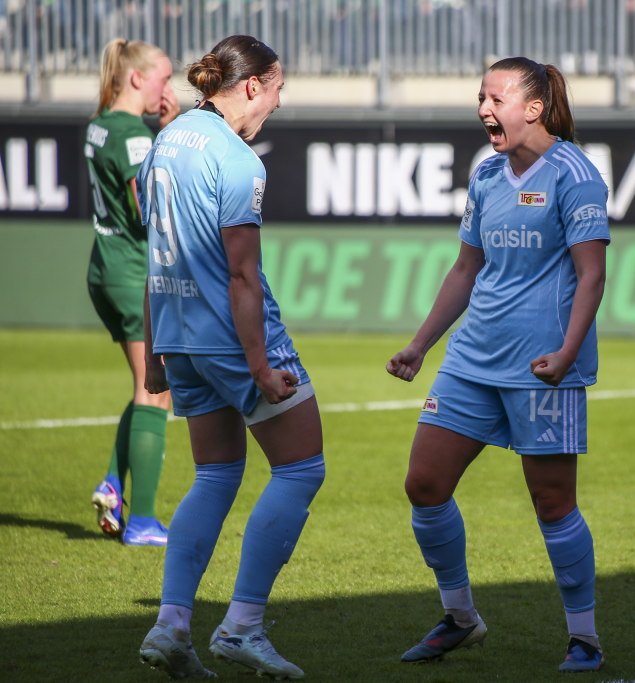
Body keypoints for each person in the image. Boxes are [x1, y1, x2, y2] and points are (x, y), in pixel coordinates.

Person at [386, 57, 609, 673]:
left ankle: (585, 638)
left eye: (496, 99)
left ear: (534, 108)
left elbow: (592, 274)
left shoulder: (575, 174)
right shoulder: (487, 173)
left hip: (541, 366)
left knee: (552, 502)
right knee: (424, 485)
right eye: (480, 98)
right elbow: (467, 268)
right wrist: (421, 345)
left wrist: (567, 352)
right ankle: (460, 618)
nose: (484, 109)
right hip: (471, 360)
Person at [135, 35, 324, 680]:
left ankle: (171, 626)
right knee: (302, 467)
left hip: (178, 337)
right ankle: (242, 626)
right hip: (232, 339)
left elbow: (154, 258)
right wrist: (261, 367)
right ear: (251, 85)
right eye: (277, 89)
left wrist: (155, 356)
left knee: (215, 475)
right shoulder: (238, 160)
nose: (278, 102)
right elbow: (242, 276)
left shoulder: (167, 141)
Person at [87, 38, 181, 546]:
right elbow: (150, 211)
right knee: (156, 389)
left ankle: (111, 483)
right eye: (164, 78)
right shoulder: (132, 136)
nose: (168, 89)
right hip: (131, 272)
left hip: (104, 267)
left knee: (143, 388)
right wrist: (168, 138)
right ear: (138, 78)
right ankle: (142, 521)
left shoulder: (100, 124)